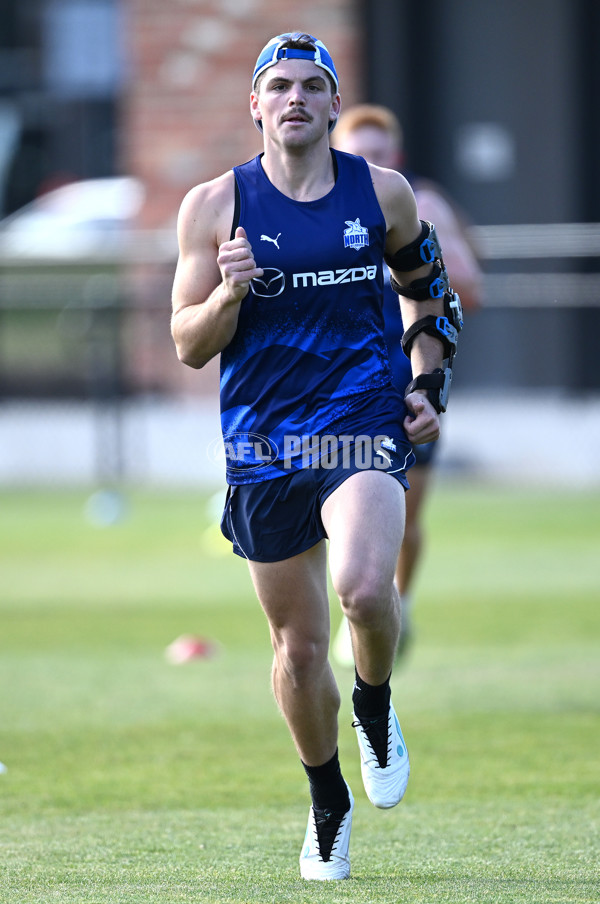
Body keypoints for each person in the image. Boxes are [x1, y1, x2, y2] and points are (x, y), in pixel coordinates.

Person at [171, 33, 462, 881]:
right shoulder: (214, 205)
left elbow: (429, 294)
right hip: (263, 441)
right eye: (279, 87)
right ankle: (326, 800)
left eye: (311, 86)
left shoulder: (383, 193)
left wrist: (427, 384)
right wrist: (229, 289)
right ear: (254, 106)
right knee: (297, 650)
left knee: (367, 589)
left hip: (358, 422)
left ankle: (373, 702)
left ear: (335, 104)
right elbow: (188, 345)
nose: (295, 99)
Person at [331, 104, 483, 663]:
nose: (369, 163)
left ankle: (400, 601)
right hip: (340, 379)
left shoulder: (420, 203)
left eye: (378, 153)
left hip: (406, 377)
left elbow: (469, 287)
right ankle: (358, 610)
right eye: (357, 152)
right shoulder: (320, 203)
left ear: (394, 158)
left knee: (406, 512)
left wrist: (422, 268)